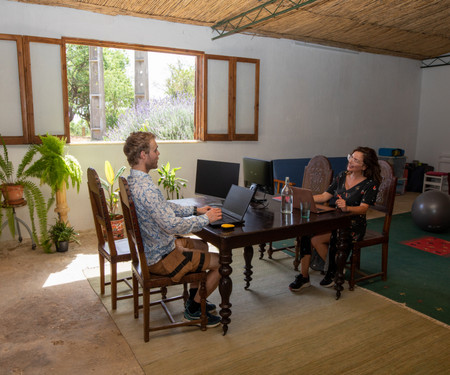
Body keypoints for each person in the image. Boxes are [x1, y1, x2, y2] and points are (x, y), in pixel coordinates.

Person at [123, 131, 223, 327]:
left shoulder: (133, 181)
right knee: (223, 262)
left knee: (202, 246)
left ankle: (195, 300)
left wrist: (195, 210)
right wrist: (205, 218)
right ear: (143, 155)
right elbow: (171, 225)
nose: (158, 153)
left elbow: (164, 207)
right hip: (162, 258)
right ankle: (194, 311)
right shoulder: (147, 189)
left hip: (155, 249)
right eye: (155, 149)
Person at [289, 147, 381, 292]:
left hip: (353, 225)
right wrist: (303, 199)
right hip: (335, 220)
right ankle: (304, 276)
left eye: (356, 160)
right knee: (307, 233)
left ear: (364, 166)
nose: (350, 161)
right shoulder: (342, 176)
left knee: (319, 239)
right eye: (351, 157)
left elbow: (364, 208)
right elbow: (325, 196)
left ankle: (335, 271)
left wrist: (347, 208)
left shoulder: (370, 184)